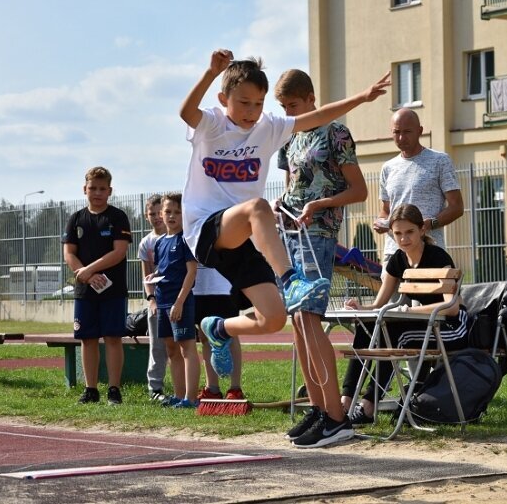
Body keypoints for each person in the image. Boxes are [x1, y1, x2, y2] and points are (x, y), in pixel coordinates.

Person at [179, 49, 389, 383]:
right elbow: (186, 112)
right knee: (259, 207)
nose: (252, 112)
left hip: (241, 237)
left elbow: (316, 118)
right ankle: (292, 281)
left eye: (259, 103)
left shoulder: (270, 128)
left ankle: (218, 328)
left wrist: (362, 98)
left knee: (274, 318)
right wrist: (209, 72)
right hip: (205, 228)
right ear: (223, 99)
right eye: (244, 103)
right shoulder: (213, 124)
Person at [273, 69, 367, 448]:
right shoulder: (289, 135)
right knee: (297, 322)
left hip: (320, 233)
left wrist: (320, 203)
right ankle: (317, 408)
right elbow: (292, 184)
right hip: (290, 232)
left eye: (292, 105)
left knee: (310, 319)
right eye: (282, 107)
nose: (287, 112)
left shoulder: (335, 133)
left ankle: (336, 416)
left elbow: (358, 190)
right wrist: (282, 204)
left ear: (311, 98)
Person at [341, 204, 470, 424]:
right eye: (398, 233)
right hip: (427, 325)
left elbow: (451, 307)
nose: (403, 239)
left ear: (422, 230)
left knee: (394, 335)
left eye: (409, 232)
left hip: (452, 328)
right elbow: (378, 305)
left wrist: (410, 310)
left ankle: (368, 405)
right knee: (367, 326)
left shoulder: (438, 257)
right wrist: (360, 309)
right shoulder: (398, 260)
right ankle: (345, 402)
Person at [62, 166, 132, 405]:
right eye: (93, 188)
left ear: (110, 191)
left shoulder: (117, 217)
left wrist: (91, 269)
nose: (97, 193)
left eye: (102, 189)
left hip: (113, 290)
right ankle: (90, 389)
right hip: (85, 290)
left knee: (113, 338)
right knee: (87, 339)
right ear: (85, 189)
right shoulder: (76, 218)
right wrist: (87, 276)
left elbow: (119, 252)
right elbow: (69, 253)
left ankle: (114, 389)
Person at [375, 108, 463, 274]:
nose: (401, 138)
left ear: (420, 131)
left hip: (428, 251)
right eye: (396, 132)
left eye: (407, 132)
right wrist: (381, 222)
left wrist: (428, 225)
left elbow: (456, 207)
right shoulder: (388, 168)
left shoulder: (439, 161)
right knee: (389, 301)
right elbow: (386, 211)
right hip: (394, 253)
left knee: (429, 301)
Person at [152, 193, 200, 409]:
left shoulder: (185, 240)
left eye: (177, 212)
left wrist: (179, 301)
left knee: (186, 348)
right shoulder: (160, 242)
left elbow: (191, 272)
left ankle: (191, 398)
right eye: (168, 211)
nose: (172, 216)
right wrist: (151, 281)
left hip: (179, 302)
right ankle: (180, 396)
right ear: (161, 214)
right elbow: (161, 269)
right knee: (171, 351)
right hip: (162, 303)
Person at [194, 265, 245, 401]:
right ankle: (212, 388)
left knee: (230, 333)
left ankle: (235, 389)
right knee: (204, 336)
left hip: (224, 286)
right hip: (199, 287)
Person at [139, 194, 169, 401]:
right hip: (157, 300)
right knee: (157, 346)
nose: (157, 217)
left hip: (179, 298)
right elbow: (147, 275)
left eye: (160, 213)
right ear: (146, 216)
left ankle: (186, 387)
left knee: (183, 346)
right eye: (152, 214)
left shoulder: (178, 236)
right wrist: (151, 299)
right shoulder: (146, 243)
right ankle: (155, 388)